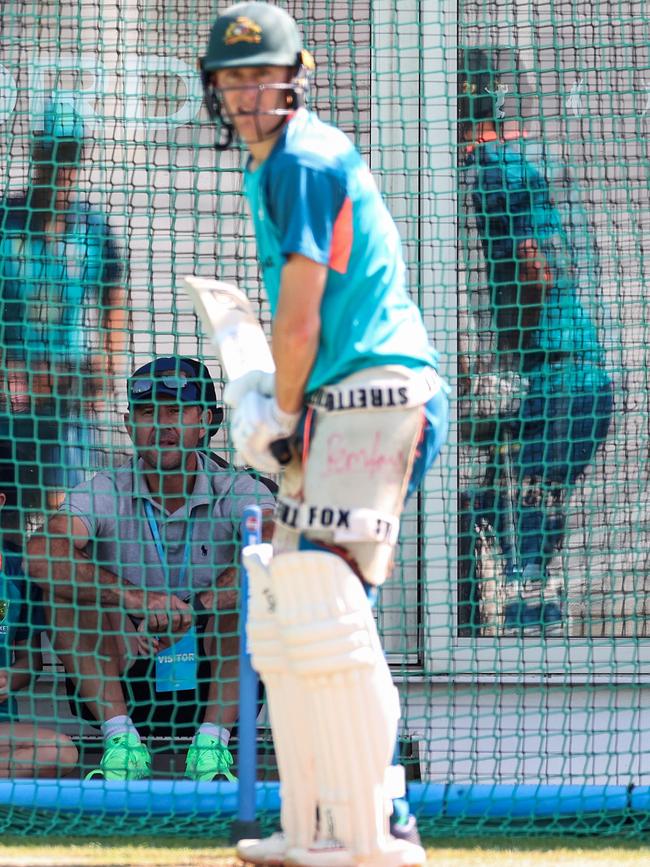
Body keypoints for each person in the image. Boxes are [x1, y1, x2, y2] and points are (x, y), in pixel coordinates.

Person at [199, 4, 449, 865]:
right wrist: (290, 407)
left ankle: (381, 823)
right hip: (343, 401)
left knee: (329, 609)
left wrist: (278, 412)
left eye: (259, 76)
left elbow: (300, 322)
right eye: (231, 80)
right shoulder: (277, 164)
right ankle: (315, 825)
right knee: (288, 609)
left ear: (294, 76)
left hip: (376, 395)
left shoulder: (302, 159)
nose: (245, 95)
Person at [26, 356, 275, 781]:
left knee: (256, 590)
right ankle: (121, 743)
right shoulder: (105, 487)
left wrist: (197, 607)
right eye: (146, 413)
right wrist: (133, 599)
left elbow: (280, 544)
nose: (161, 426)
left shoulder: (238, 488)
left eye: (176, 411)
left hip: (213, 682)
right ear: (127, 423)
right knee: (63, 588)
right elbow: (42, 551)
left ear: (206, 421)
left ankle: (211, 748)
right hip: (129, 669)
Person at [458, 48, 613, 634]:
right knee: (509, 493)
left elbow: (536, 267)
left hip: (559, 378)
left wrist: (502, 366)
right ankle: (523, 603)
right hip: (563, 378)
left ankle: (525, 606)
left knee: (525, 494)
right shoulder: (524, 167)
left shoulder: (496, 167)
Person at [0, 90, 127, 511]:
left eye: (71, 154)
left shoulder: (92, 228)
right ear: (36, 153)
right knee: (10, 514)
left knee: (64, 511)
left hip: (66, 398)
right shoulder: (7, 222)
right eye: (52, 151)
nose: (61, 167)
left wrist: (108, 361)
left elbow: (112, 296)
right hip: (10, 392)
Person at [0, 445, 78, 777]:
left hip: (4, 727)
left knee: (63, 752)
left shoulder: (18, 568)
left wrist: (7, 680)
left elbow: (30, 662)